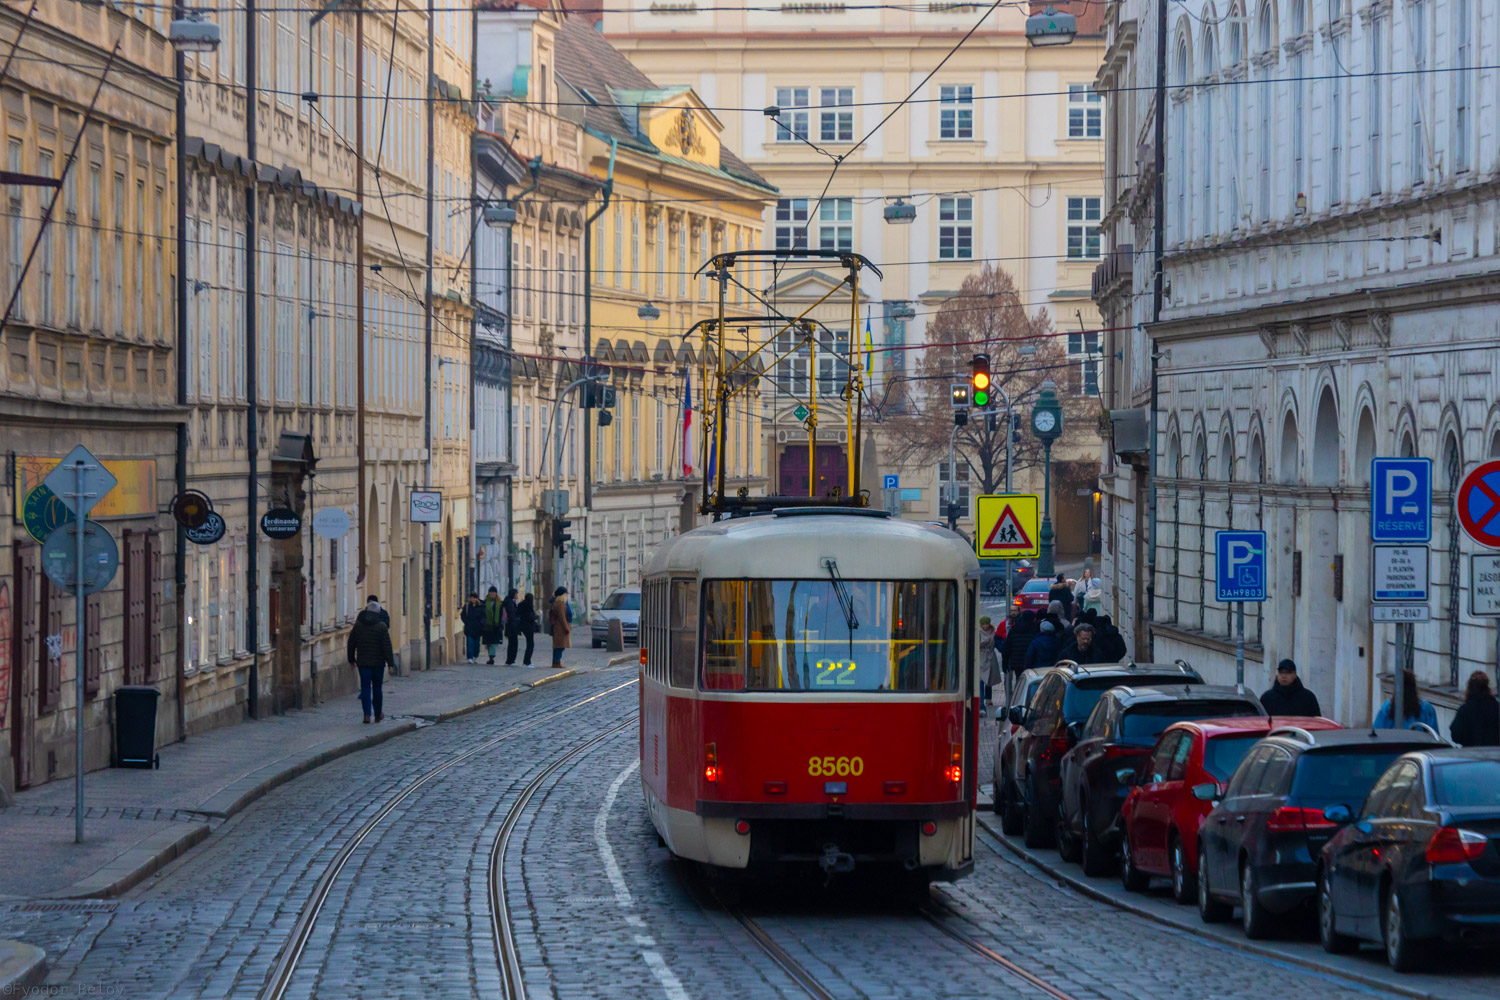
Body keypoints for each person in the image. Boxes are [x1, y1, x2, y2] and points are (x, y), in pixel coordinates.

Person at [348, 598, 397, 723]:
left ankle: (366, 715)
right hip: (378, 663)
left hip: (363, 662)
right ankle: (377, 714)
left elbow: (351, 642)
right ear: (378, 613)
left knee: (365, 688)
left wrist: (351, 659)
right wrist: (391, 664)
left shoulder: (358, 625)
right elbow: (387, 646)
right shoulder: (381, 626)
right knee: (377, 688)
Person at [1374, 668, 1439, 731]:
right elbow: (1434, 736)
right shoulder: (1426, 708)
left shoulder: (1387, 708)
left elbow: (1377, 733)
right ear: (1414, 688)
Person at [1450, 670, 1500, 747]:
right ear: (1487, 687)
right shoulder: (1497, 707)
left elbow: (1456, 736)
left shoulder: (1464, 710)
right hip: (1493, 755)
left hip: (1471, 755)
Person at [1002, 609, 1038, 679]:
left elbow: (1007, 648)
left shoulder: (1014, 629)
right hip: (1031, 662)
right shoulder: (1035, 630)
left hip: (1017, 662)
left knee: (1020, 681)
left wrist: (1005, 663)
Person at [977, 616, 999, 704]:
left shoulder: (993, 631)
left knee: (989, 679)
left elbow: (996, 642)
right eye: (983, 624)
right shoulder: (978, 631)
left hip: (990, 656)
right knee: (981, 679)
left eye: (986, 624)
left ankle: (989, 698)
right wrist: (985, 641)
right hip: (981, 657)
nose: (985, 626)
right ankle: (981, 699)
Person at [482, 586, 506, 665]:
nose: (492, 594)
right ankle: (490, 656)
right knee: (488, 643)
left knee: (494, 643)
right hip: (487, 626)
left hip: (496, 625)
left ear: (496, 593)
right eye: (491, 592)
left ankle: (491, 657)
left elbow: (503, 615)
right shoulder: (485, 603)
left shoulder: (499, 603)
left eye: (494, 592)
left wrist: (502, 624)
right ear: (488, 593)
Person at [548, 586, 571, 667]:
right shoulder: (560, 604)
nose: (566, 596)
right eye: (565, 594)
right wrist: (566, 628)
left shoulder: (557, 603)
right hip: (560, 627)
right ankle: (556, 662)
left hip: (559, 627)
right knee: (559, 645)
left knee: (559, 645)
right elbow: (562, 617)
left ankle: (556, 661)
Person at [515, 593, 539, 666]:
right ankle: (527, 662)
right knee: (530, 644)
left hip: (522, 626)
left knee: (529, 644)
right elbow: (530, 617)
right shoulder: (528, 606)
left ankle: (527, 661)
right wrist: (537, 616)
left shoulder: (520, 605)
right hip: (528, 626)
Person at [460, 593, 485, 663]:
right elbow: (463, 615)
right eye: (471, 598)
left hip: (478, 628)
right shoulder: (467, 606)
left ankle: (475, 656)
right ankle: (469, 657)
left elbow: (484, 616)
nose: (472, 599)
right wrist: (466, 622)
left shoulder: (481, 606)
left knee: (476, 644)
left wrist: (481, 623)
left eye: (474, 598)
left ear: (476, 598)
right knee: (469, 643)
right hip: (469, 628)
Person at [501, 588, 522, 665]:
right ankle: (511, 660)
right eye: (516, 594)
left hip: (510, 626)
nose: (517, 595)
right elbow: (512, 615)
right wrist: (515, 627)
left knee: (512, 644)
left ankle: (510, 660)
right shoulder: (510, 603)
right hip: (512, 626)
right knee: (513, 644)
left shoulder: (510, 601)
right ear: (513, 594)